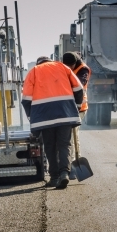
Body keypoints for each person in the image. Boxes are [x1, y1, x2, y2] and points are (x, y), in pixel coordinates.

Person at [22, 56, 83, 189]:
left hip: (44, 118)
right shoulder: (63, 67)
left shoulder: (34, 71)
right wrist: (76, 108)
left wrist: (32, 118)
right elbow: (79, 89)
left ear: (39, 63)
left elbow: (26, 99)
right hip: (65, 114)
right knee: (64, 144)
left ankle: (54, 177)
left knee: (50, 146)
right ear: (50, 61)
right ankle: (64, 174)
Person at [62, 52, 91, 178]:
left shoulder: (83, 69)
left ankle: (73, 165)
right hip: (67, 107)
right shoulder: (64, 67)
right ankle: (67, 163)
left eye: (70, 66)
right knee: (67, 137)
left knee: (73, 136)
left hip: (80, 108)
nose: (69, 69)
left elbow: (80, 85)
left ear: (75, 63)